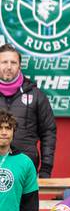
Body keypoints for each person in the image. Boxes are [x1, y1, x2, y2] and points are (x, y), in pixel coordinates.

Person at [0, 43, 55, 174]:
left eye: (13, 62)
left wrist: (46, 168)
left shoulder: (36, 95)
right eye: (4, 62)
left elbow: (48, 132)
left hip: (26, 167)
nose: (9, 67)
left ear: (20, 65)